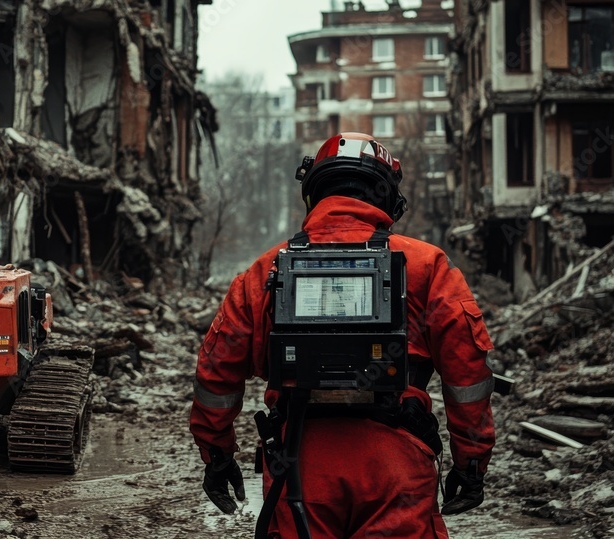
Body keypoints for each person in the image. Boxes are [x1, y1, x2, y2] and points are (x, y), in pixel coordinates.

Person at [190, 132, 495, 538]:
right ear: (387, 197)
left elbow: (216, 374)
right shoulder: (427, 266)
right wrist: (470, 464)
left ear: (314, 191)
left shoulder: (264, 271)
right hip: (396, 468)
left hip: (299, 466)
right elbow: (468, 375)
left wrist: (218, 456)